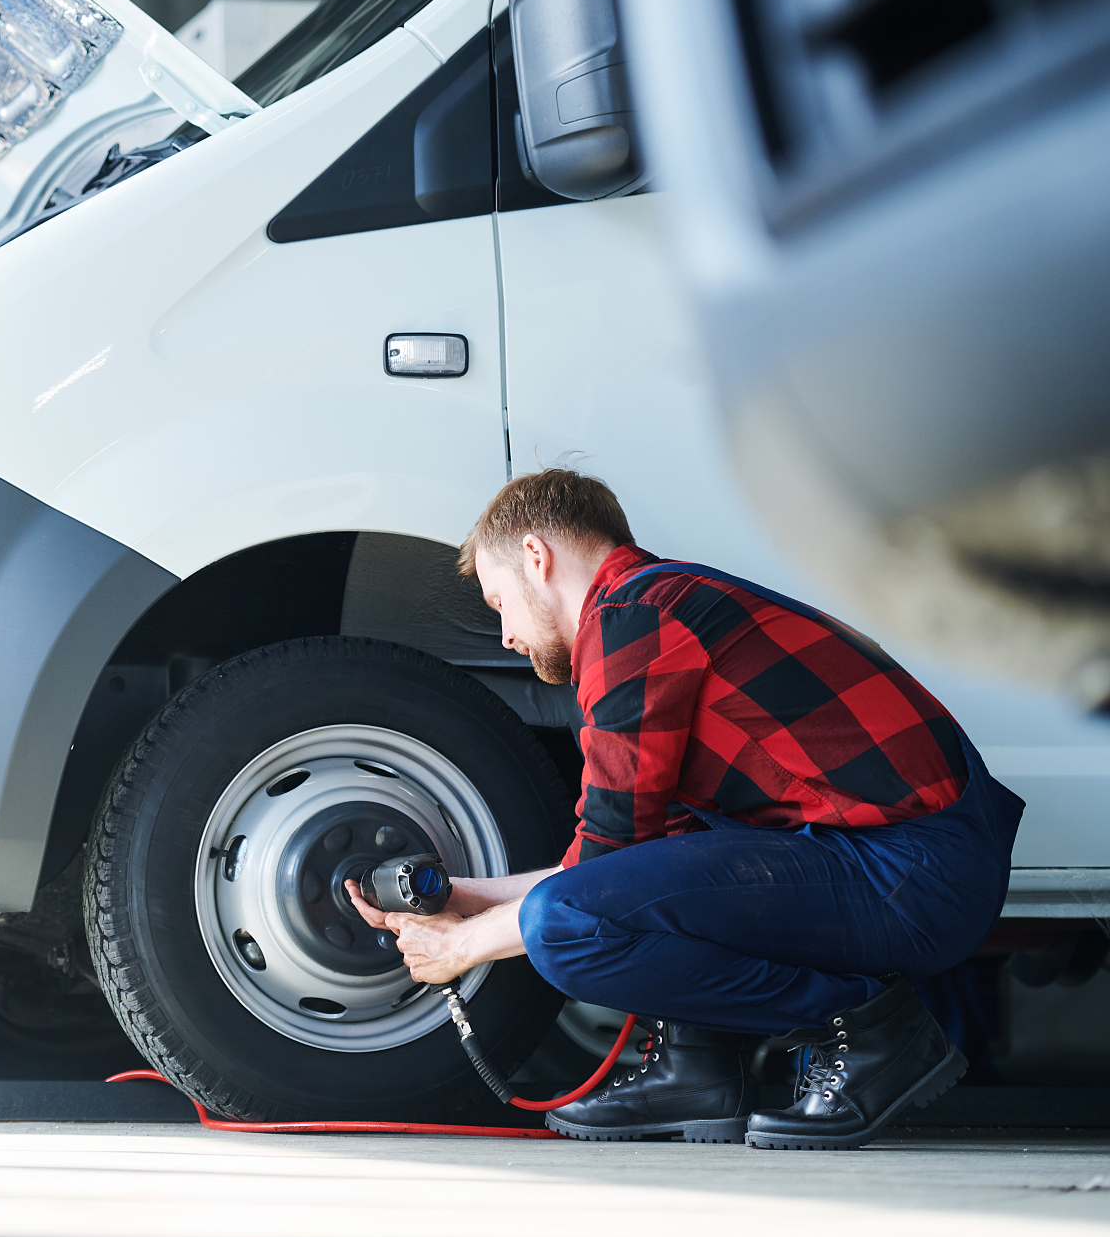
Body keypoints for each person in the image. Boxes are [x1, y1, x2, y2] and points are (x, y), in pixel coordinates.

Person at [348, 468, 1023, 1150]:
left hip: (910, 869)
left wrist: (463, 945)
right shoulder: (663, 607)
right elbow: (631, 869)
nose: (505, 636)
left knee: (560, 930)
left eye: (499, 603)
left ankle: (874, 1032)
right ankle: (694, 1070)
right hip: (912, 864)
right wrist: (465, 896)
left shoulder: (632, 619)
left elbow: (595, 875)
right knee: (631, 880)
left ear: (536, 556)